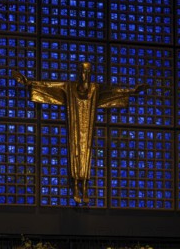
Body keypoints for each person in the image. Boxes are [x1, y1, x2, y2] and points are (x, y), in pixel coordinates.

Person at [13, 63, 147, 203]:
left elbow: (112, 92)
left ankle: (84, 186)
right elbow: (49, 86)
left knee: (86, 153)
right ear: (79, 73)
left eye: (88, 72)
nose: (85, 75)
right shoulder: (69, 87)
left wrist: (131, 91)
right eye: (83, 71)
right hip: (74, 124)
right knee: (75, 152)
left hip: (88, 126)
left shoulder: (95, 89)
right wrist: (29, 83)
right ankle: (76, 186)